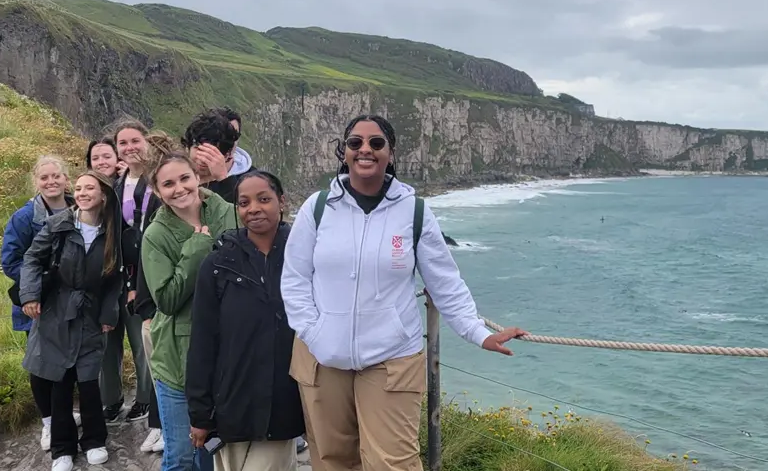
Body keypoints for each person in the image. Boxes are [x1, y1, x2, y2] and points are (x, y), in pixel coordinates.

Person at [281, 115, 527, 471]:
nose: (365, 150)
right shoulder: (317, 208)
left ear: (391, 153)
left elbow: (445, 282)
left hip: (392, 356)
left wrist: (480, 334)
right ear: (344, 152)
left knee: (392, 463)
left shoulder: (414, 211)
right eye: (355, 143)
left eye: (376, 143)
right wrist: (314, 332)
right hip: (322, 355)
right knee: (333, 460)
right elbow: (295, 279)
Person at [187, 171, 304, 471]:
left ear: (282, 202)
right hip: (232, 403)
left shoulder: (304, 256)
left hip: (283, 402)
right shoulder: (218, 264)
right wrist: (200, 414)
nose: (253, 208)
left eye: (264, 199)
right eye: (244, 202)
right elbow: (202, 342)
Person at [141, 141, 240, 471]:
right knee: (182, 455)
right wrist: (197, 248)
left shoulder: (226, 211)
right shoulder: (156, 234)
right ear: (157, 190)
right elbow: (166, 300)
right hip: (176, 359)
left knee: (212, 454)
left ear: (197, 177)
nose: (179, 188)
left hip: (225, 352)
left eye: (184, 178)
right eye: (168, 184)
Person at [19, 171, 124, 471]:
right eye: (77, 188)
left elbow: (114, 280)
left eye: (89, 188)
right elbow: (31, 259)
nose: (81, 192)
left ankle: (94, 440)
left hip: (90, 316)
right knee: (59, 381)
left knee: (89, 381)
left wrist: (108, 313)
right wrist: (29, 295)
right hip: (56, 313)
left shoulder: (111, 231)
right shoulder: (58, 225)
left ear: (103, 194)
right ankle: (61, 448)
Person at [0, 155, 77, 452]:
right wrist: (45, 279)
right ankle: (49, 424)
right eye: (44, 177)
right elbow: (10, 261)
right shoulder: (23, 218)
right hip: (39, 304)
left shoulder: (79, 208)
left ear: (66, 178)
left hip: (70, 304)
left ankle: (64, 415)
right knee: (41, 365)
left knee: (67, 363)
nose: (51, 182)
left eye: (56, 176)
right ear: (36, 182)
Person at [102, 121, 157, 431]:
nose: (129, 147)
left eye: (135, 140)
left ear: (146, 141)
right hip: (124, 273)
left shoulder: (157, 178)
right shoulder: (118, 183)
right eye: (123, 143)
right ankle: (121, 401)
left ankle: (147, 402)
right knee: (129, 338)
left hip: (148, 273)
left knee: (142, 342)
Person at [183, 107, 254, 204]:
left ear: (227, 155)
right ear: (188, 147)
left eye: (212, 153)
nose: (203, 158)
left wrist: (225, 181)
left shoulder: (251, 182)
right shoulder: (173, 180)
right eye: (198, 149)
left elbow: (244, 215)